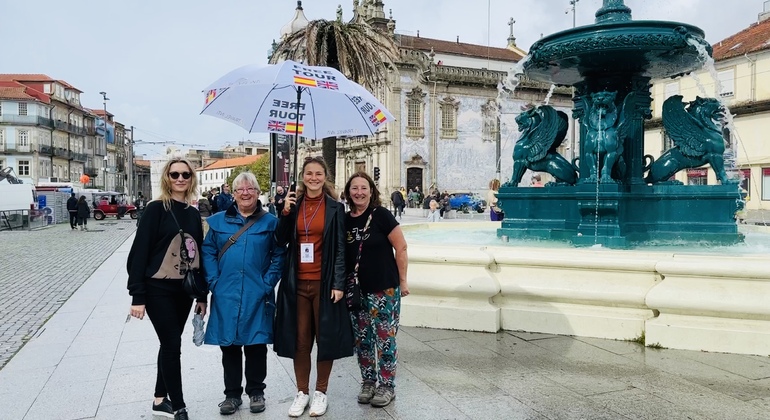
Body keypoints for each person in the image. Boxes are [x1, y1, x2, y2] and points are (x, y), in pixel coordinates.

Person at [126, 157, 206, 420]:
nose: (180, 179)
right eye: (175, 175)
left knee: (169, 343)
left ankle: (160, 398)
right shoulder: (155, 209)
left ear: (191, 178)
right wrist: (138, 296)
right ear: (167, 178)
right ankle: (179, 406)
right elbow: (139, 254)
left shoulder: (194, 214)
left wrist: (202, 295)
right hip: (157, 289)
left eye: (185, 174)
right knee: (172, 345)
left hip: (184, 290)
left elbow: (199, 257)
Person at [274, 156, 353, 418]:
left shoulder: (334, 208)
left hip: (324, 282)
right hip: (297, 283)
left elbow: (341, 249)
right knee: (300, 339)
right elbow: (279, 239)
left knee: (325, 337)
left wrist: (339, 282)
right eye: (309, 173)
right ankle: (301, 392)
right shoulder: (292, 205)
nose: (314, 178)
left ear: (325, 176)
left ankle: (320, 392)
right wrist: (284, 213)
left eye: (319, 174)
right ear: (303, 176)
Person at [201, 173, 286, 415]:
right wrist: (214, 281)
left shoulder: (270, 222)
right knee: (229, 345)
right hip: (225, 292)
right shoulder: (218, 222)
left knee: (256, 343)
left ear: (258, 193)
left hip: (257, 293)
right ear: (233, 193)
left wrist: (267, 283)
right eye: (240, 189)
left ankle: (256, 391)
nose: (246, 193)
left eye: (250, 189)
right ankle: (232, 394)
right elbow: (207, 252)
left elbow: (279, 255)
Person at [343, 172, 409, 408]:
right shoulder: (345, 220)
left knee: (384, 338)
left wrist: (403, 281)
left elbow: (401, 247)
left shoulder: (381, 215)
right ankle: (368, 381)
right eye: (354, 188)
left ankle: (387, 385)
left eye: (364, 188)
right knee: (362, 339)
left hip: (384, 289)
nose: (359, 192)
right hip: (357, 293)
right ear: (348, 192)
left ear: (372, 191)